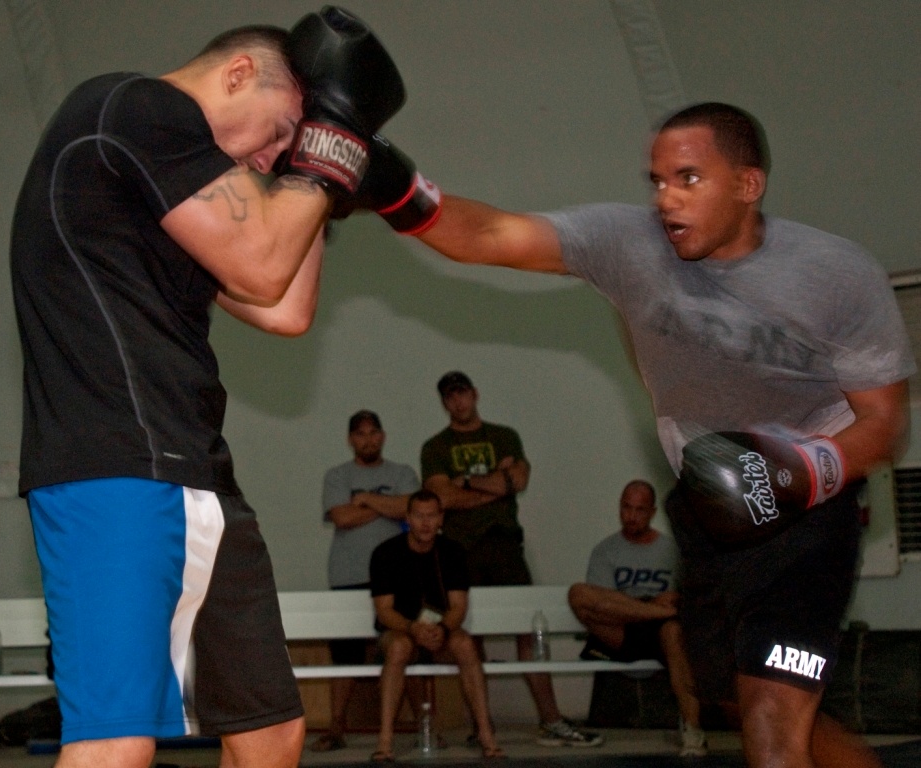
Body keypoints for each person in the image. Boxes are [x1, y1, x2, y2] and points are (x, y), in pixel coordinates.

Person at [360, 102, 913, 768]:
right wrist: (387, 181)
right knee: (736, 701)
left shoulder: (836, 275)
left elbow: (883, 425)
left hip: (811, 521)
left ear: (748, 184)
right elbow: (488, 233)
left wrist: (800, 468)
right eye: (656, 180)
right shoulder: (629, 244)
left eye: (688, 179)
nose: (666, 199)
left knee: (771, 709)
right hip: (708, 514)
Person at [9, 9, 405, 768]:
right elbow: (261, 264)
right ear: (235, 75)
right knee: (116, 740)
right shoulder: (133, 107)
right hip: (113, 469)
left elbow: (285, 307)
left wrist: (319, 172)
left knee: (270, 731)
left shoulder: (181, 198)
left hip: (198, 477)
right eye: (284, 128)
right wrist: (326, 152)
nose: (279, 153)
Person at [421, 371, 603, 748]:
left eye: (462, 394)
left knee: (527, 631)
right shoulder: (435, 446)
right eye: (450, 397)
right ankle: (481, 727)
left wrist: (466, 482)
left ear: (475, 394)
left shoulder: (504, 436)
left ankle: (550, 719)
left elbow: (516, 483)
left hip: (504, 546)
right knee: (469, 636)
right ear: (444, 402)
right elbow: (444, 499)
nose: (458, 402)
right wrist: (493, 483)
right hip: (460, 549)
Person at [568, 480, 706, 757]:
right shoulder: (605, 550)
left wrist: (669, 605)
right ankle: (657, 611)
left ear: (652, 512)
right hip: (623, 629)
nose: (631, 516)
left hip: (661, 631)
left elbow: (689, 596)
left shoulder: (672, 550)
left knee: (674, 630)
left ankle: (693, 729)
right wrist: (651, 605)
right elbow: (604, 605)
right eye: (626, 508)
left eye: (639, 510)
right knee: (578, 594)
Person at [312, 410, 420, 752]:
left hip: (398, 577)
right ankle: (336, 728)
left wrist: (368, 499)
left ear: (383, 436)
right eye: (360, 434)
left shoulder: (402, 473)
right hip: (348, 574)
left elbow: (414, 509)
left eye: (374, 433)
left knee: (407, 647)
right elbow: (342, 517)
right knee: (345, 655)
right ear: (350, 440)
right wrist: (388, 504)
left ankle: (423, 727)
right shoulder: (337, 476)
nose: (368, 439)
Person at [369, 489, 504, 762]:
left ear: (441, 518)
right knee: (398, 648)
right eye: (419, 516)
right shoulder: (385, 553)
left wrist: (441, 629)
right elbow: (384, 612)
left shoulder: (453, 552)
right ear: (408, 518)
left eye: (432, 516)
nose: (426, 523)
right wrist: (412, 628)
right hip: (400, 630)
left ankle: (487, 736)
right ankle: (385, 742)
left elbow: (458, 606)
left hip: (441, 630)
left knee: (466, 644)